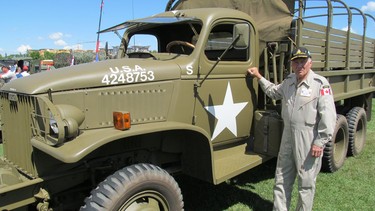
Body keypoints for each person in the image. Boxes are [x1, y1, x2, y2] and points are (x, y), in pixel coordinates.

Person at [247, 47, 336, 211]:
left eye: (303, 61)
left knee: (306, 183)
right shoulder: (289, 81)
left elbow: (329, 117)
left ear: (310, 63)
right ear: (292, 65)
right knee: (281, 178)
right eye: (296, 62)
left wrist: (320, 142)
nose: (300, 65)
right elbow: (273, 92)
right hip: (287, 136)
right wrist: (259, 77)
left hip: (308, 139)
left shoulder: (320, 84)